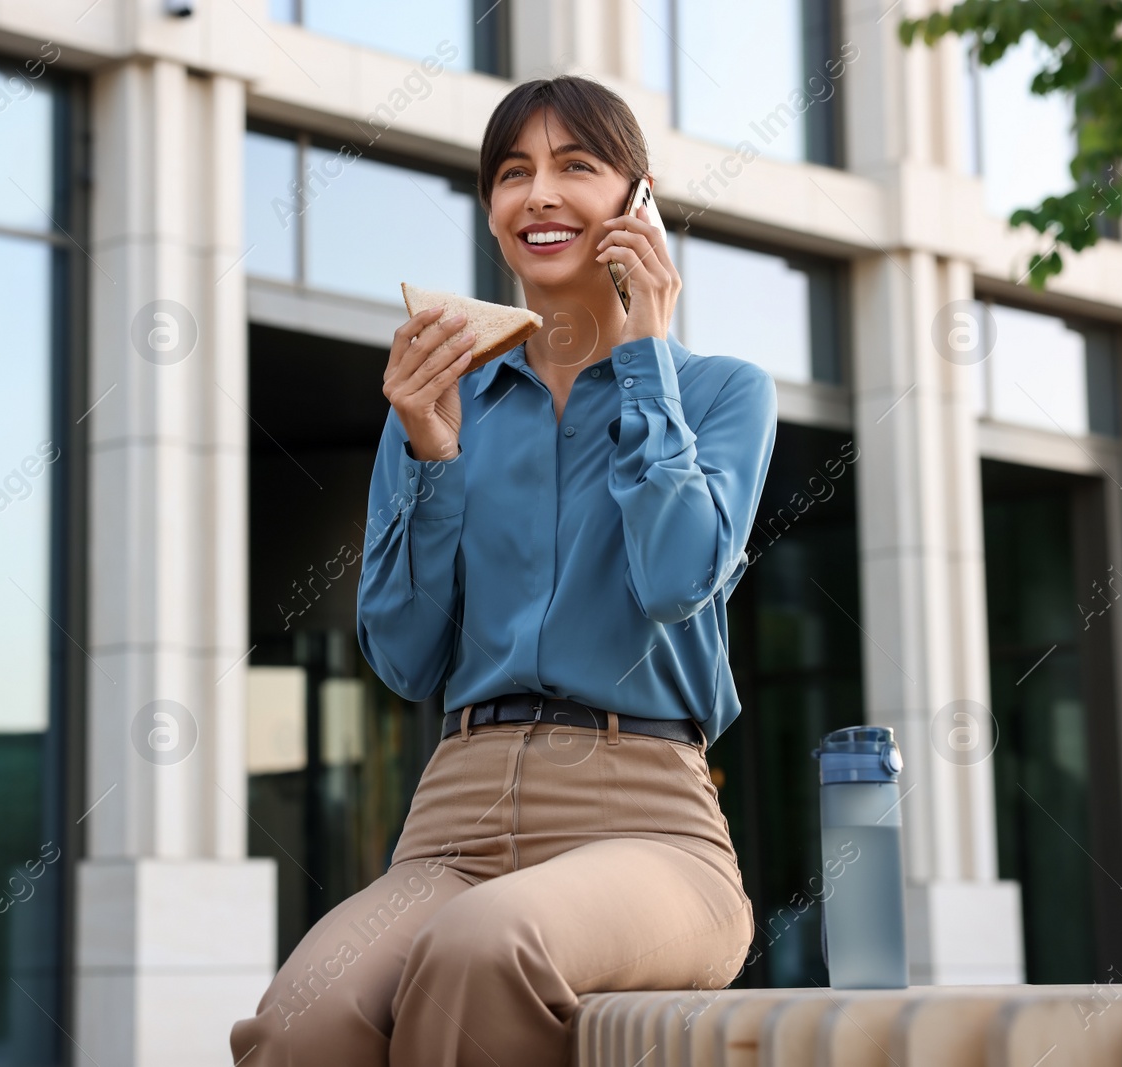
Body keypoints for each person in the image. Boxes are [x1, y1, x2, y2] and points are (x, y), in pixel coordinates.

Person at [230, 74, 777, 1067]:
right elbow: (402, 658)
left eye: (577, 166)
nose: (539, 194)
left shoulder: (722, 392)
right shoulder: (439, 395)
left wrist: (647, 348)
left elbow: (675, 577)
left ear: (636, 201)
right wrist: (430, 453)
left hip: (648, 823)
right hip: (453, 820)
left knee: (484, 947)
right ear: (489, 210)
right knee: (299, 1014)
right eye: (512, 173)